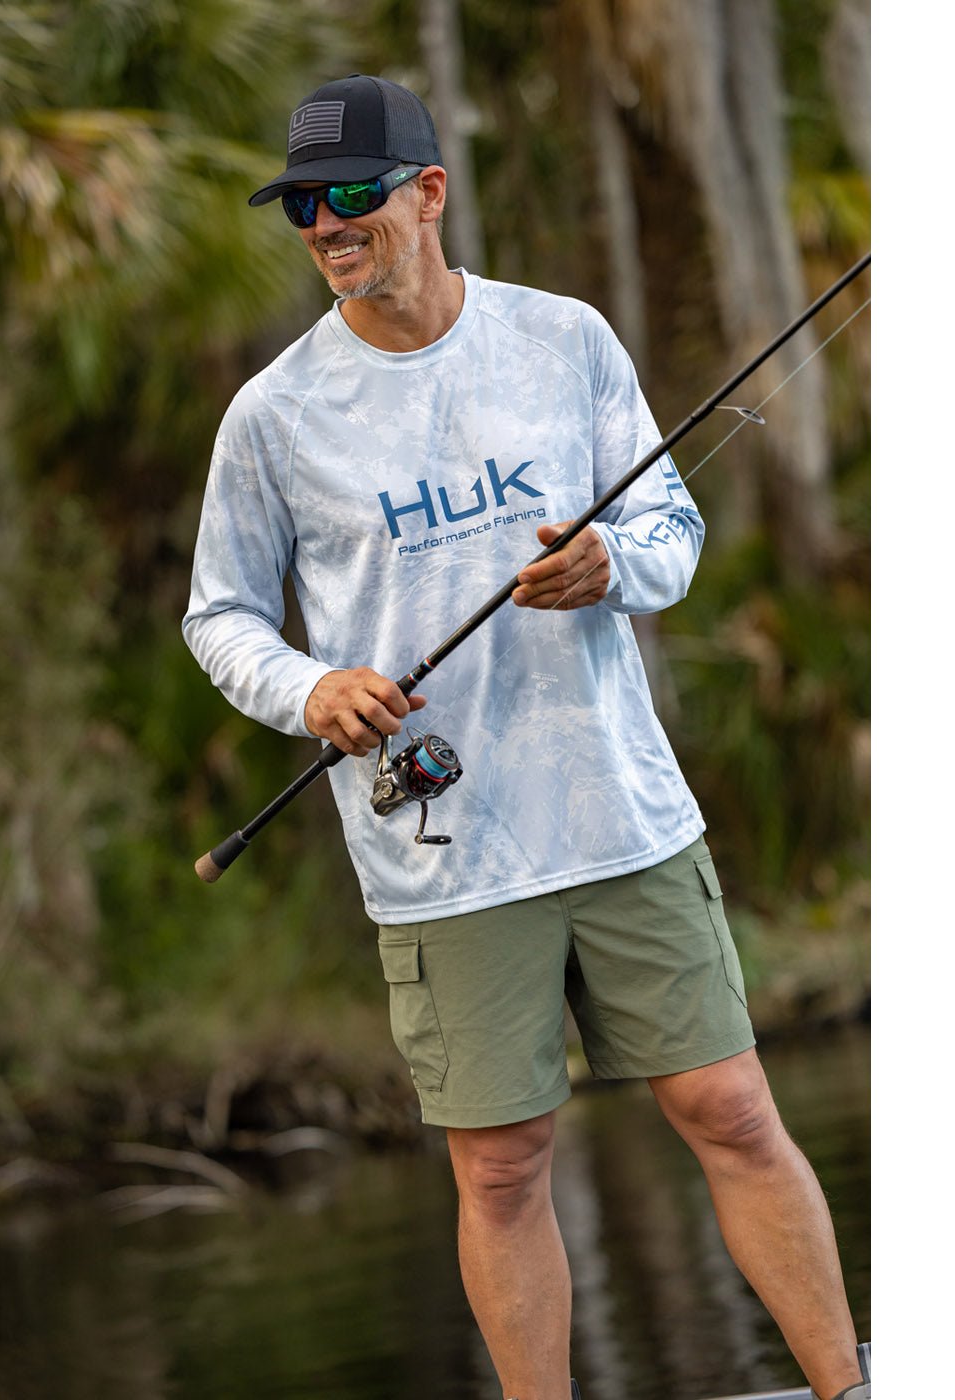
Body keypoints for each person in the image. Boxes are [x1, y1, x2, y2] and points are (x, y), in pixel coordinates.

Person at [183, 73, 868, 1400]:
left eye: (351, 200)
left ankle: (851, 1386)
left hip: (620, 814)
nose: (325, 227)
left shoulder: (564, 340)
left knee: (731, 1112)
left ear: (429, 194)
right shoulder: (274, 418)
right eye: (302, 210)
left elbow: (673, 530)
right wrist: (311, 690)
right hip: (445, 857)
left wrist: (614, 561)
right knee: (500, 1165)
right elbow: (220, 618)